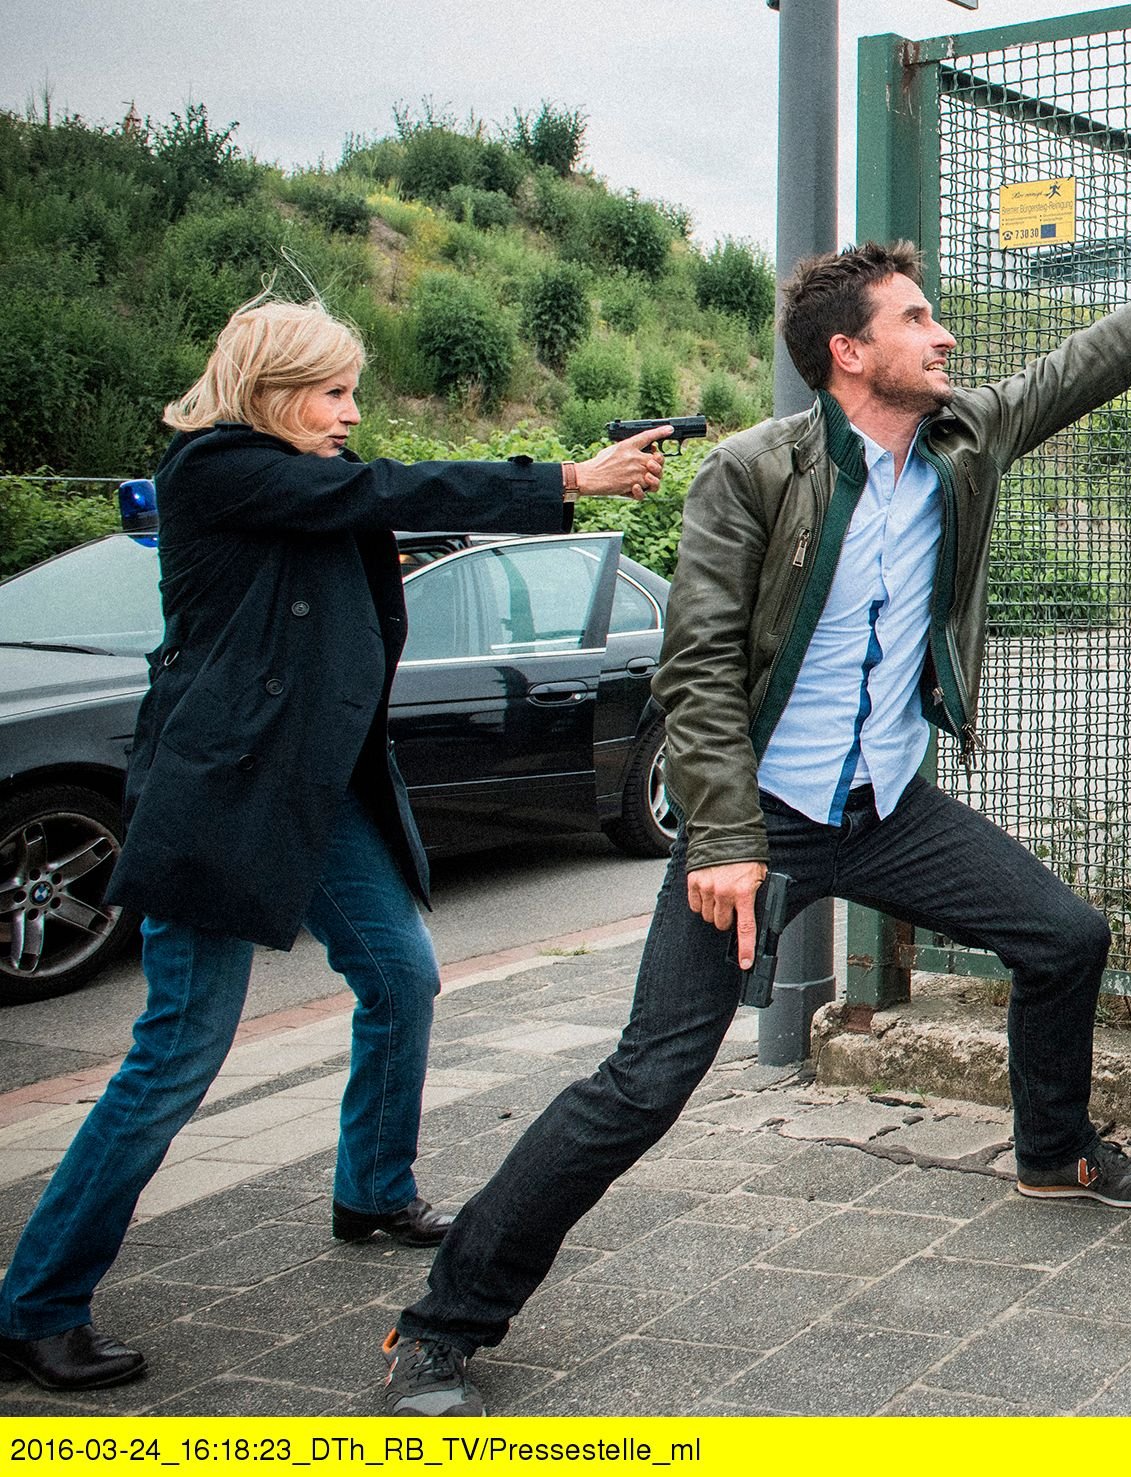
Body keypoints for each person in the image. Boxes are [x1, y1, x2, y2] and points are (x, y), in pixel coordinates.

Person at [384, 226, 1131, 1414]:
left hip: (888, 805)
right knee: (648, 1077)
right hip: (763, 819)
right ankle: (445, 1321)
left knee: (1062, 936)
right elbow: (692, 670)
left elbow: (1089, 359)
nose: (941, 333)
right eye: (914, 319)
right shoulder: (752, 472)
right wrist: (726, 840)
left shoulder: (962, 440)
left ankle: (1052, 1153)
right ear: (848, 353)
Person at [0, 296, 667, 1393]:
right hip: (227, 799)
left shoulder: (297, 482)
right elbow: (379, 492)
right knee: (176, 1055)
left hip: (319, 788)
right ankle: (35, 1304)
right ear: (268, 393)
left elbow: (376, 515)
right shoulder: (216, 468)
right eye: (334, 393)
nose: (353, 414)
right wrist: (566, 479)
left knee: (402, 977)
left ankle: (371, 1188)